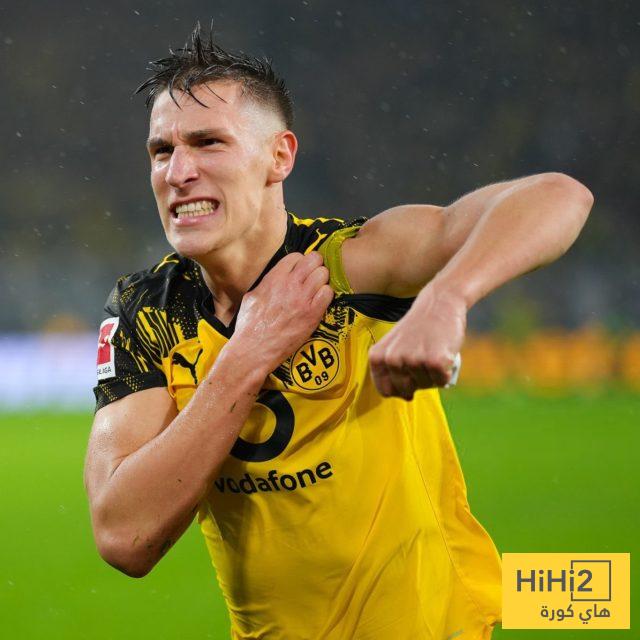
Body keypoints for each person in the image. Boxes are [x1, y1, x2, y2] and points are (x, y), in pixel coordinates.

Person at [84, 24, 593, 640]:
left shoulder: (351, 265)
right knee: (596, 596)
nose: (178, 171)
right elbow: (124, 537)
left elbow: (560, 195)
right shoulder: (147, 312)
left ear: (279, 156)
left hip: (435, 627)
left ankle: (588, 595)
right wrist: (249, 352)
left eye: (208, 142)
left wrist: (445, 299)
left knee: (596, 595)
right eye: (161, 151)